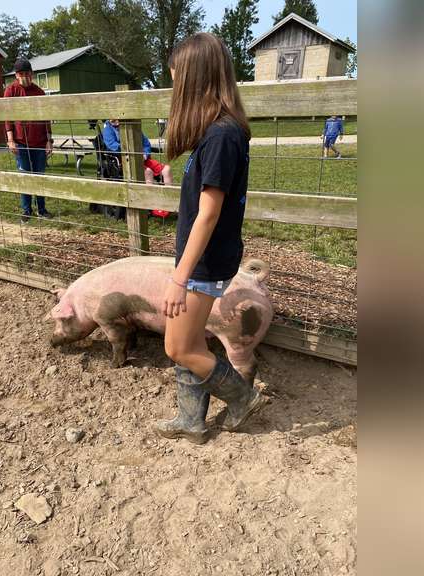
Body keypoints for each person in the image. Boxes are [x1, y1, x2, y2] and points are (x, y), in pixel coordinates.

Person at [153, 33, 267, 445]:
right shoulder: (220, 131)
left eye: (176, 77)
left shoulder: (220, 135)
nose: (173, 87)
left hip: (202, 262)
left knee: (179, 347)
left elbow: (209, 213)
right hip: (201, 258)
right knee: (190, 338)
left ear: (195, 79)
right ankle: (191, 420)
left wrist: (180, 276)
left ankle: (243, 398)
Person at [4, 57, 54, 223]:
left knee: (39, 176)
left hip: (39, 141)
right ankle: (26, 210)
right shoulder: (11, 91)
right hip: (21, 142)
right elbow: (7, 117)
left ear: (31, 74)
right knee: (25, 176)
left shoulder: (39, 92)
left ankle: (42, 208)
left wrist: (49, 140)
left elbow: (46, 119)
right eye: (21, 73)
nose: (24, 76)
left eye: (27, 73)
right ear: (16, 75)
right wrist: (10, 139)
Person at [102, 119, 173, 185]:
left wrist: (145, 155)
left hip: (142, 158)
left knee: (167, 169)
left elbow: (146, 144)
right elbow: (112, 146)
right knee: (148, 172)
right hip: (125, 161)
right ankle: (149, 197)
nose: (117, 121)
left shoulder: (133, 126)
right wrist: (132, 151)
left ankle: (169, 195)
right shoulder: (108, 130)